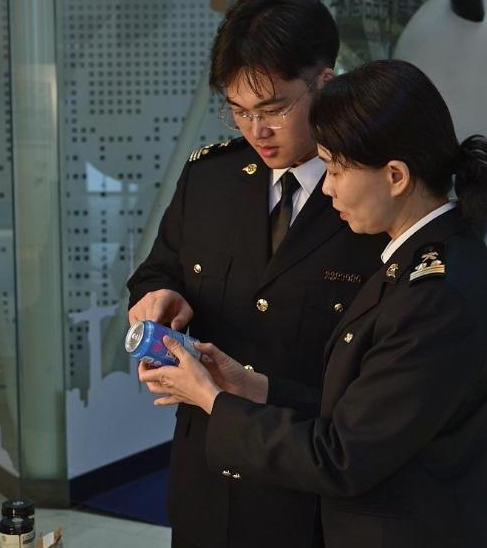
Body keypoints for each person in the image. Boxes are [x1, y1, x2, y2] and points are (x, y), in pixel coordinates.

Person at [141, 59, 487, 548]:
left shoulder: (435, 294)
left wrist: (212, 400)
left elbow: (343, 455)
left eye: (337, 169)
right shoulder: (413, 261)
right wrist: (252, 386)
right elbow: (359, 413)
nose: (326, 187)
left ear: (395, 176)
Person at [126, 1, 387, 546]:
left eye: (273, 109)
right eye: (238, 111)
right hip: (208, 475)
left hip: (314, 488)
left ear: (324, 83)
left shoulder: (373, 193)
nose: (256, 130)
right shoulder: (211, 178)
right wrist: (158, 295)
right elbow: (158, 267)